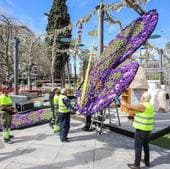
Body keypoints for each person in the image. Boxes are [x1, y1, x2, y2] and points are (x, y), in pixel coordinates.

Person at [122, 91, 154, 169]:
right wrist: (134, 118)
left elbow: (129, 107)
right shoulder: (150, 105)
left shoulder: (142, 105)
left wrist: (119, 101)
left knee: (138, 147)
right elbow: (143, 115)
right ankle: (147, 161)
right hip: (148, 129)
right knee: (146, 145)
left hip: (141, 130)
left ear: (144, 98)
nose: (140, 97)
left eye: (141, 95)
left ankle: (136, 165)